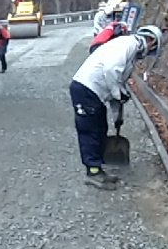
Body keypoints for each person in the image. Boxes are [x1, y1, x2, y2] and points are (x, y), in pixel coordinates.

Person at [69, 24, 162, 189]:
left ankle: (98, 169)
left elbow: (116, 87)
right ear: (151, 40)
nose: (148, 53)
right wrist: (119, 93)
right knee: (89, 131)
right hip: (85, 88)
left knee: (100, 128)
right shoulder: (128, 44)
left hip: (94, 93)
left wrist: (117, 117)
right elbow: (111, 71)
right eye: (152, 48)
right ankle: (93, 172)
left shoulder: (130, 53)